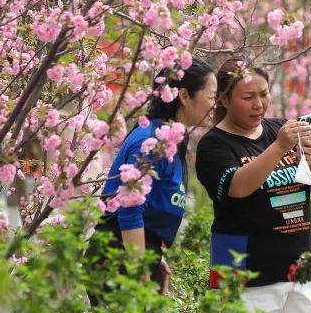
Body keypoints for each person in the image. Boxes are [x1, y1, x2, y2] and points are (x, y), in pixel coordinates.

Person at [195, 59, 311, 313]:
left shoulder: (281, 128)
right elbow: (238, 187)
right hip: (244, 273)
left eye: (264, 94)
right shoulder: (213, 145)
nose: (259, 104)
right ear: (225, 100)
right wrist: (279, 146)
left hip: (298, 268)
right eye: (248, 97)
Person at [90, 56, 218, 294]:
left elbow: (152, 207)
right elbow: (129, 210)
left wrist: (154, 256)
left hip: (136, 254)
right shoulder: (151, 143)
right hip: (115, 261)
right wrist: (139, 276)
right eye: (211, 97)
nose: (215, 105)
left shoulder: (170, 139)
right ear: (184, 96)